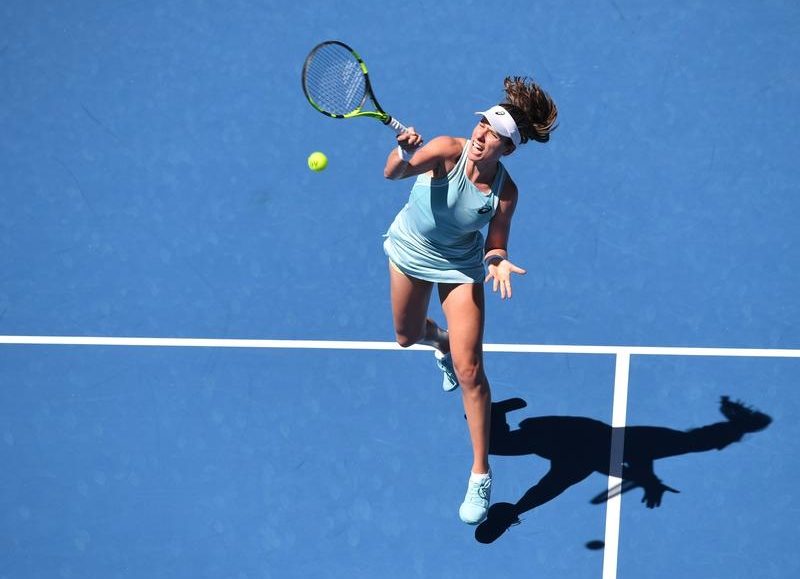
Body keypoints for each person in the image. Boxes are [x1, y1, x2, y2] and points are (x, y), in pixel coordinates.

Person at [382, 76, 558, 524]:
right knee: (406, 336)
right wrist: (404, 152)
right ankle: (441, 343)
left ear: (508, 148)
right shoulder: (446, 150)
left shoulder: (505, 192)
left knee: (471, 369)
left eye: (493, 134)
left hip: (460, 266)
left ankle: (480, 473)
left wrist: (497, 260)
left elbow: (496, 243)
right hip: (409, 250)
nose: (481, 135)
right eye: (482, 125)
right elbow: (393, 174)